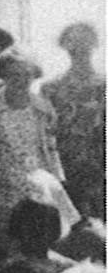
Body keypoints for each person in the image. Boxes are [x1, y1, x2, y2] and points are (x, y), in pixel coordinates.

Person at [0, 49, 65, 261]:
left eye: (27, 74)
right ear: (3, 76)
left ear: (34, 76)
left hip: (36, 186)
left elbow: (51, 148)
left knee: (36, 239)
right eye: (14, 74)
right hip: (0, 185)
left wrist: (58, 181)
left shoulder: (43, 108)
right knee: (2, 243)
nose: (21, 80)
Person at [41, 22, 105, 217]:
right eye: (73, 42)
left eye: (84, 41)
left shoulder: (103, 86)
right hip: (64, 168)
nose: (79, 48)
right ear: (64, 45)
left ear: (94, 44)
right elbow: (45, 132)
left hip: (99, 168)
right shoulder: (51, 88)